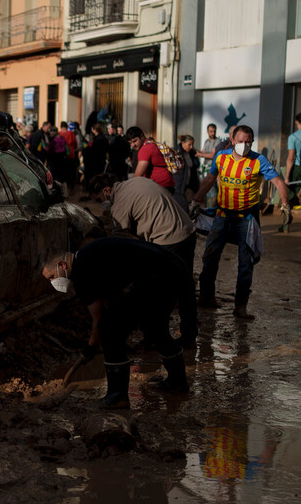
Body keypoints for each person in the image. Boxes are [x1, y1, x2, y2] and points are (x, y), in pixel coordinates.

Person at [43, 238, 192, 409]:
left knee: (110, 328)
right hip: (174, 268)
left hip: (159, 275)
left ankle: (117, 396)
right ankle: (177, 381)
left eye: (52, 277)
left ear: (62, 265)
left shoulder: (81, 271)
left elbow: (98, 317)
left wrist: (91, 347)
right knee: (154, 325)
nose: (52, 282)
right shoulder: (87, 254)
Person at [190, 125, 290, 320]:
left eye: (249, 142)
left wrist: (285, 204)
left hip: (247, 219)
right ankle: (206, 297)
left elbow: (278, 182)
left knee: (246, 263)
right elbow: (210, 179)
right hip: (222, 215)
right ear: (232, 140)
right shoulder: (221, 157)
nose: (244, 145)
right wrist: (196, 200)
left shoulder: (259, 160)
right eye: (241, 141)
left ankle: (241, 306)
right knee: (210, 256)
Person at [88, 174, 198, 346]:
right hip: (187, 231)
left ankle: (154, 338)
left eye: (99, 199)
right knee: (185, 286)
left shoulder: (119, 204)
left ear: (107, 191)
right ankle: (189, 336)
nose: (101, 204)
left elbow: (120, 240)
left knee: (158, 292)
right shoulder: (136, 181)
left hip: (168, 239)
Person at [126, 126, 176, 195]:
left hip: (160, 186)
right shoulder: (151, 143)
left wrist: (127, 189)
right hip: (166, 184)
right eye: (130, 143)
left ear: (141, 136)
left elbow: (137, 175)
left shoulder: (146, 148)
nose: (133, 145)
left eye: (135, 141)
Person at [171, 135, 200, 211]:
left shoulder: (191, 152)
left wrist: (194, 153)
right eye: (189, 145)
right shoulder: (175, 152)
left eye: (192, 145)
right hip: (179, 186)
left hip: (189, 185)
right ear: (183, 143)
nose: (191, 147)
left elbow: (197, 164)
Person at [82, 120, 110, 186]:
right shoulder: (103, 138)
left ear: (93, 129)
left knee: (96, 179)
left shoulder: (98, 139)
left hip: (95, 162)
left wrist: (86, 147)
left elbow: (93, 151)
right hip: (101, 161)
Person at [59, 122, 79, 193]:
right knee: (71, 171)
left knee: (64, 171)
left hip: (62, 156)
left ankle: (65, 188)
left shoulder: (59, 134)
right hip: (71, 155)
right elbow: (75, 144)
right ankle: (72, 187)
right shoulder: (71, 133)